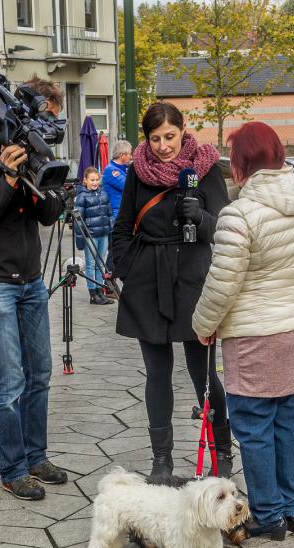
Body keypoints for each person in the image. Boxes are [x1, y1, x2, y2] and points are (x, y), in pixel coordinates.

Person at [192, 122, 294, 540]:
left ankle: (266, 514)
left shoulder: (239, 214)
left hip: (255, 333)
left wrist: (203, 325)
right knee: (284, 417)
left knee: (253, 424)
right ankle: (290, 508)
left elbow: (222, 282)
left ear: (242, 164)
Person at [111, 102, 232, 485]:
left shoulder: (206, 168)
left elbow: (226, 228)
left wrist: (200, 216)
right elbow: (122, 226)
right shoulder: (137, 171)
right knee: (156, 374)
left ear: (183, 131)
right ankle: (161, 460)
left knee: (204, 374)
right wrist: (128, 266)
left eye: (170, 136)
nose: (163, 146)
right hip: (148, 281)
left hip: (193, 279)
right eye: (155, 138)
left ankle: (222, 451)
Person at [0, 76, 68, 502]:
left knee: (39, 374)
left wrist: (42, 184)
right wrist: (6, 179)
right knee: (10, 381)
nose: (48, 129)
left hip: (30, 281)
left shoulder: (39, 155)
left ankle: (35, 455)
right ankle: (12, 468)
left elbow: (49, 214)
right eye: (46, 118)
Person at [75, 167, 114, 305]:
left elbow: (109, 213)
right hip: (91, 236)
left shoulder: (103, 194)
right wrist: (81, 239)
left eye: (97, 179)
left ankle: (100, 291)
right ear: (85, 180)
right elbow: (78, 220)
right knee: (91, 264)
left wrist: (110, 228)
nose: (95, 182)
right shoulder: (82, 197)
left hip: (103, 234)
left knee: (100, 263)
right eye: (92, 180)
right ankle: (93, 294)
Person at [102, 140, 132, 277]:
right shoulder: (111, 171)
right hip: (115, 215)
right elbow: (127, 186)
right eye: (129, 154)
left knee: (120, 248)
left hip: (121, 214)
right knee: (114, 250)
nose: (130, 157)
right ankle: (109, 283)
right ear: (122, 155)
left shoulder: (122, 169)